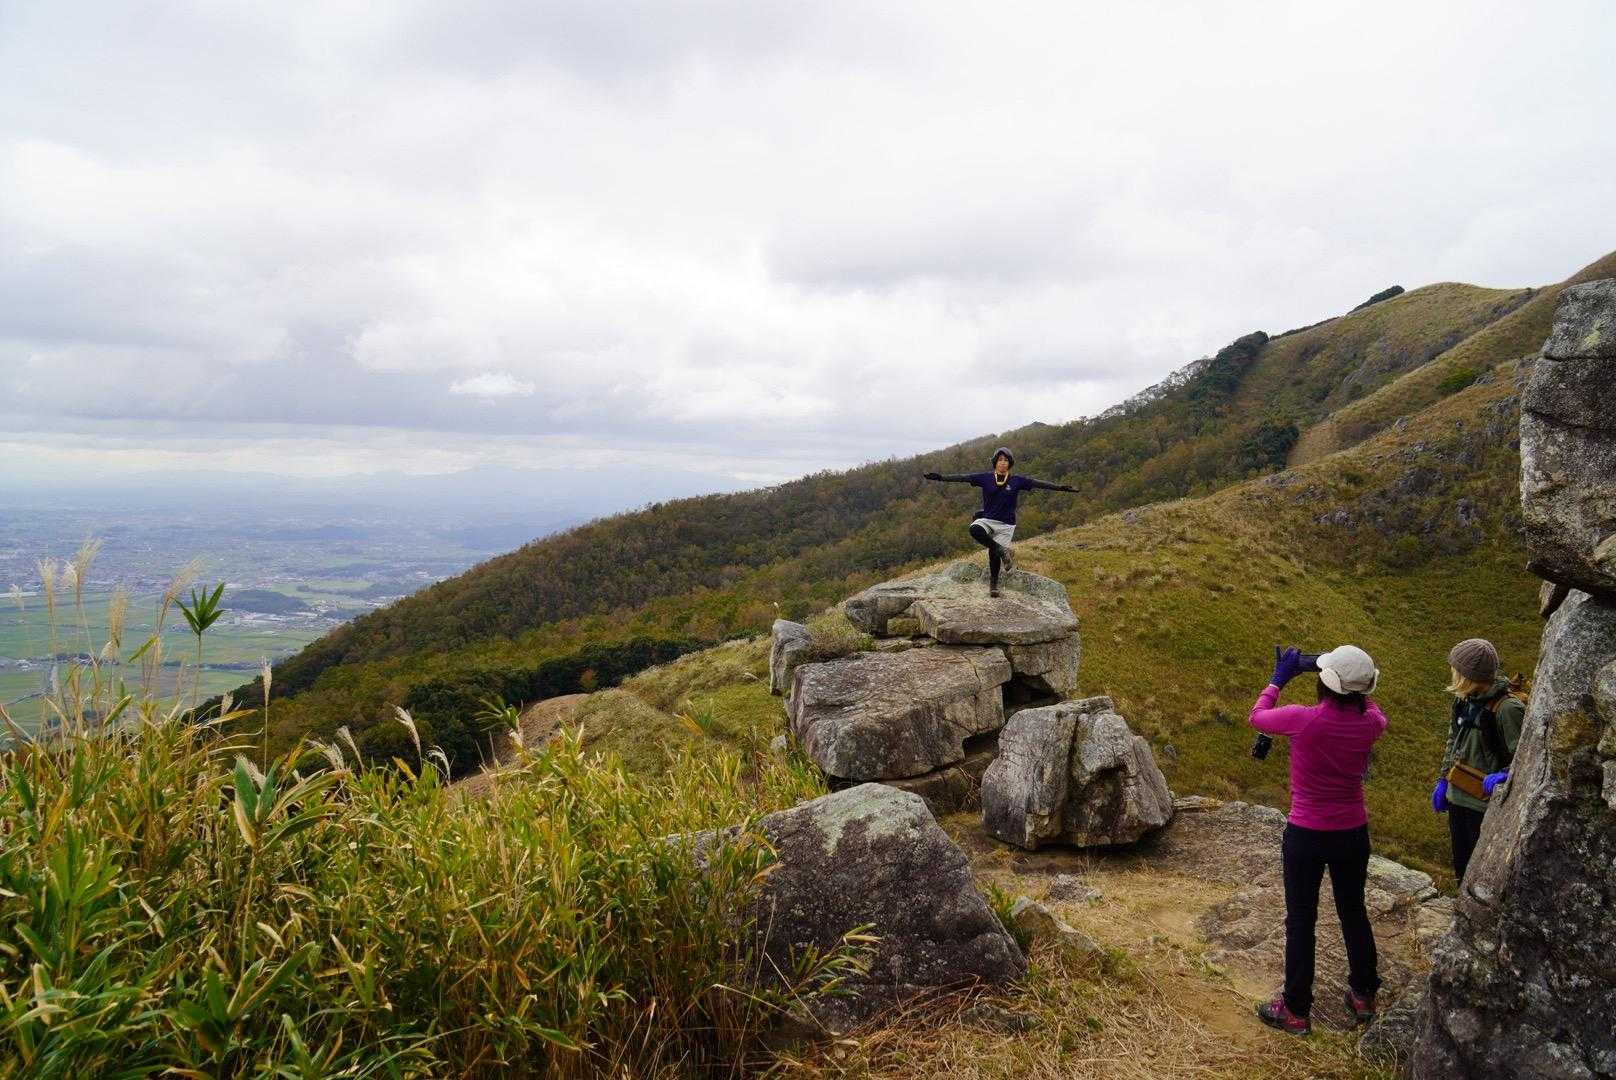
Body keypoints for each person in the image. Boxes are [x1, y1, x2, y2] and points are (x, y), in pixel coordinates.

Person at [1249, 645, 1388, 1037]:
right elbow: (1370, 705)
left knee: (1301, 919)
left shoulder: (1302, 719)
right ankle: (1363, 993)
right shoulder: (1371, 723)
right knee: (1353, 910)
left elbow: (1257, 715)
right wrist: (1347, 675)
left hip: (1306, 834)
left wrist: (1280, 677)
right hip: (1352, 832)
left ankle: (1296, 1010)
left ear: (1325, 683)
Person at [923, 447, 1077, 596]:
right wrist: (941, 477)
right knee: (975, 530)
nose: (1003, 462)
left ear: (1010, 463)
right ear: (995, 462)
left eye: (1006, 460)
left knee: (993, 555)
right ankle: (1002, 550)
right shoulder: (985, 478)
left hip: (1006, 525)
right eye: (1000, 460)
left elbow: (1039, 483)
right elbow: (963, 478)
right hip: (988, 519)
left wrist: (1061, 487)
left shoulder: (1017, 481)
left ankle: (994, 585)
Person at [1430, 638, 1524, 882]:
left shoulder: (1508, 709)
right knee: (1461, 868)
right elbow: (1453, 740)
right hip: (1457, 797)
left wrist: (1506, 774)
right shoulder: (1464, 699)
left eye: (1456, 669)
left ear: (1468, 675)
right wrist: (1443, 779)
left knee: (1480, 874)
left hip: (1484, 806)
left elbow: (1524, 757)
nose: (1452, 673)